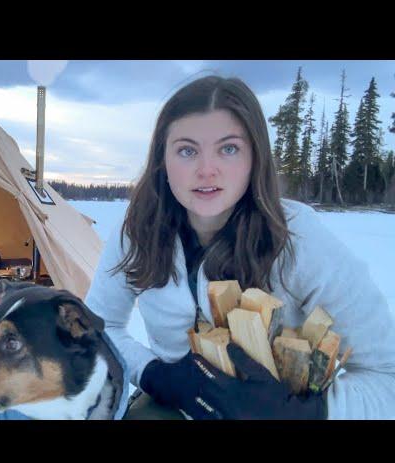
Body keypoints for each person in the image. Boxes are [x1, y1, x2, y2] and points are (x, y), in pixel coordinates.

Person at [85, 75, 395, 420]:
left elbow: (386, 371)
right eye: (187, 150)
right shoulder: (139, 229)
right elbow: (97, 326)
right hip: (174, 407)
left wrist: (308, 412)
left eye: (228, 148)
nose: (206, 170)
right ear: (162, 160)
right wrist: (154, 374)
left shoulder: (297, 239)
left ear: (254, 158)